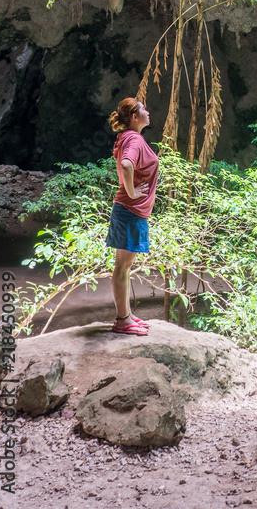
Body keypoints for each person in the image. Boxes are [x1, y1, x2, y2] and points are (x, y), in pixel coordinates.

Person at [105, 97, 159, 336]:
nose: (148, 111)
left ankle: (125, 316)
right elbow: (127, 165)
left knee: (124, 267)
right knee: (123, 267)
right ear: (135, 117)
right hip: (130, 210)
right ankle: (122, 319)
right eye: (143, 109)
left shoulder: (128, 138)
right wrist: (132, 191)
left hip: (130, 211)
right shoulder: (134, 139)